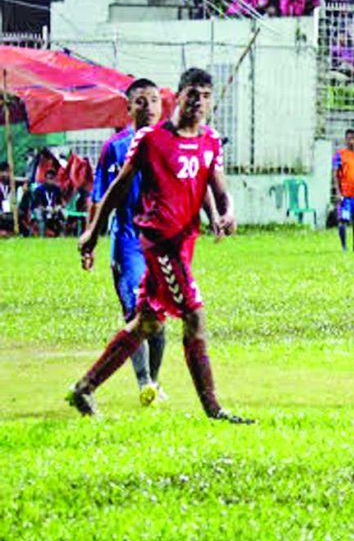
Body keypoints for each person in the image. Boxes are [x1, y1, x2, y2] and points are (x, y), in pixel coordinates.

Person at [69, 67, 252, 424]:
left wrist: (227, 212)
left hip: (185, 243)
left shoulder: (210, 141)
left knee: (147, 323)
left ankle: (84, 388)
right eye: (192, 93)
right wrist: (93, 231)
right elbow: (119, 187)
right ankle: (214, 409)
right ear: (179, 97)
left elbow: (218, 186)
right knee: (195, 316)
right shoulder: (151, 139)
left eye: (205, 95)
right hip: (159, 243)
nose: (198, 101)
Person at [78, 78, 169, 406]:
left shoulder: (171, 144)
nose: (148, 107)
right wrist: (91, 240)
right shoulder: (114, 148)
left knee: (158, 320)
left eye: (154, 101)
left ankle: (153, 380)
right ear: (128, 108)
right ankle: (144, 382)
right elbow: (99, 197)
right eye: (141, 101)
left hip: (162, 247)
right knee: (137, 313)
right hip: (128, 244)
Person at [31, 167, 65, 237]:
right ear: (45, 179)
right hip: (42, 209)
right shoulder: (39, 190)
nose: (51, 180)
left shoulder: (57, 189)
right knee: (39, 214)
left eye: (52, 178)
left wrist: (57, 208)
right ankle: (42, 235)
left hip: (53, 209)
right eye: (49, 178)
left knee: (63, 213)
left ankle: (61, 236)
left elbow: (60, 203)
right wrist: (46, 209)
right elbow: (36, 205)